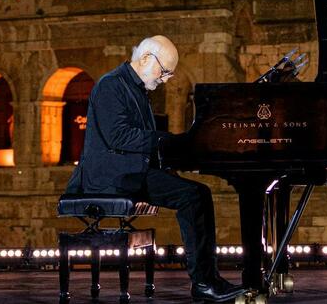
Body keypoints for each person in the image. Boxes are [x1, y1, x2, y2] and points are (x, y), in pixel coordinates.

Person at [65, 35, 246, 302]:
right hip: (111, 177)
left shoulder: (136, 89)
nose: (166, 79)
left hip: (130, 170)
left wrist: (179, 154)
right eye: (165, 71)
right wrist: (168, 140)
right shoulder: (110, 86)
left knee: (198, 194)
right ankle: (204, 283)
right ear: (147, 58)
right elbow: (119, 137)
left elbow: (143, 140)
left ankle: (208, 280)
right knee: (194, 196)